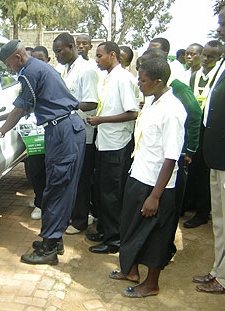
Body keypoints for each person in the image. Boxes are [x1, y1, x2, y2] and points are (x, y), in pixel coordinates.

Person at [0, 40, 86, 265]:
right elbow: (26, 104)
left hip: (62, 132)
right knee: (58, 188)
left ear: (18, 58)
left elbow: (21, 108)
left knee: (57, 189)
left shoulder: (29, 72)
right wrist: (1, 118)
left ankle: (49, 249)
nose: (9, 69)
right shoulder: (40, 69)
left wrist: (0, 132)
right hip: (65, 129)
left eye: (9, 65)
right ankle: (54, 239)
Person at [109, 57, 187, 298]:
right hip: (139, 175)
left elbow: (171, 157)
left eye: (142, 80)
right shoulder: (153, 102)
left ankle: (151, 284)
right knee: (130, 226)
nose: (138, 83)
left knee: (155, 236)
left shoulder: (173, 111)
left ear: (158, 81)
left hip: (157, 185)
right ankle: (131, 270)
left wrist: (155, 196)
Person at [194, 2, 225, 294]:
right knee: (221, 219)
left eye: (224, 23)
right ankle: (219, 268)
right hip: (218, 154)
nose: (219, 29)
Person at [140, 48, 202, 258]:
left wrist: (190, 149)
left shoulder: (177, 91)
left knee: (166, 215)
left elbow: (194, 115)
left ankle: (165, 250)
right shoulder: (154, 97)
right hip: (151, 166)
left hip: (172, 159)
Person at [86, 41, 138, 254]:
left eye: (99, 56)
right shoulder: (108, 77)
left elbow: (132, 113)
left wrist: (101, 120)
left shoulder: (124, 79)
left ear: (113, 55)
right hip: (104, 142)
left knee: (112, 194)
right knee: (102, 190)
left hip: (117, 145)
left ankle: (114, 240)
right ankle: (105, 231)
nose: (97, 60)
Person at [52, 33, 99, 235]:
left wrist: (63, 105)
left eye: (59, 51)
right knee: (71, 176)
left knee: (81, 178)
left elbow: (92, 102)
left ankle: (80, 220)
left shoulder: (86, 70)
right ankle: (74, 214)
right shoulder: (67, 69)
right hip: (68, 131)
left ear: (71, 47)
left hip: (83, 134)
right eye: (55, 52)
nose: (57, 56)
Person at [183, 40, 223, 228]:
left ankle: (202, 212)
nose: (206, 59)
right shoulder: (194, 76)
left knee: (204, 172)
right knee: (191, 166)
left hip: (210, 129)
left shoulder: (219, 76)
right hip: (193, 127)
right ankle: (189, 203)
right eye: (205, 55)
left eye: (210, 56)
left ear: (219, 57)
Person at [25, 45, 51, 220]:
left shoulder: (53, 77)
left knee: (48, 169)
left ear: (48, 61)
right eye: (33, 60)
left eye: (40, 60)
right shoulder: (27, 78)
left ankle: (45, 203)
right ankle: (39, 200)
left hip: (50, 130)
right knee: (35, 167)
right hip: (33, 131)